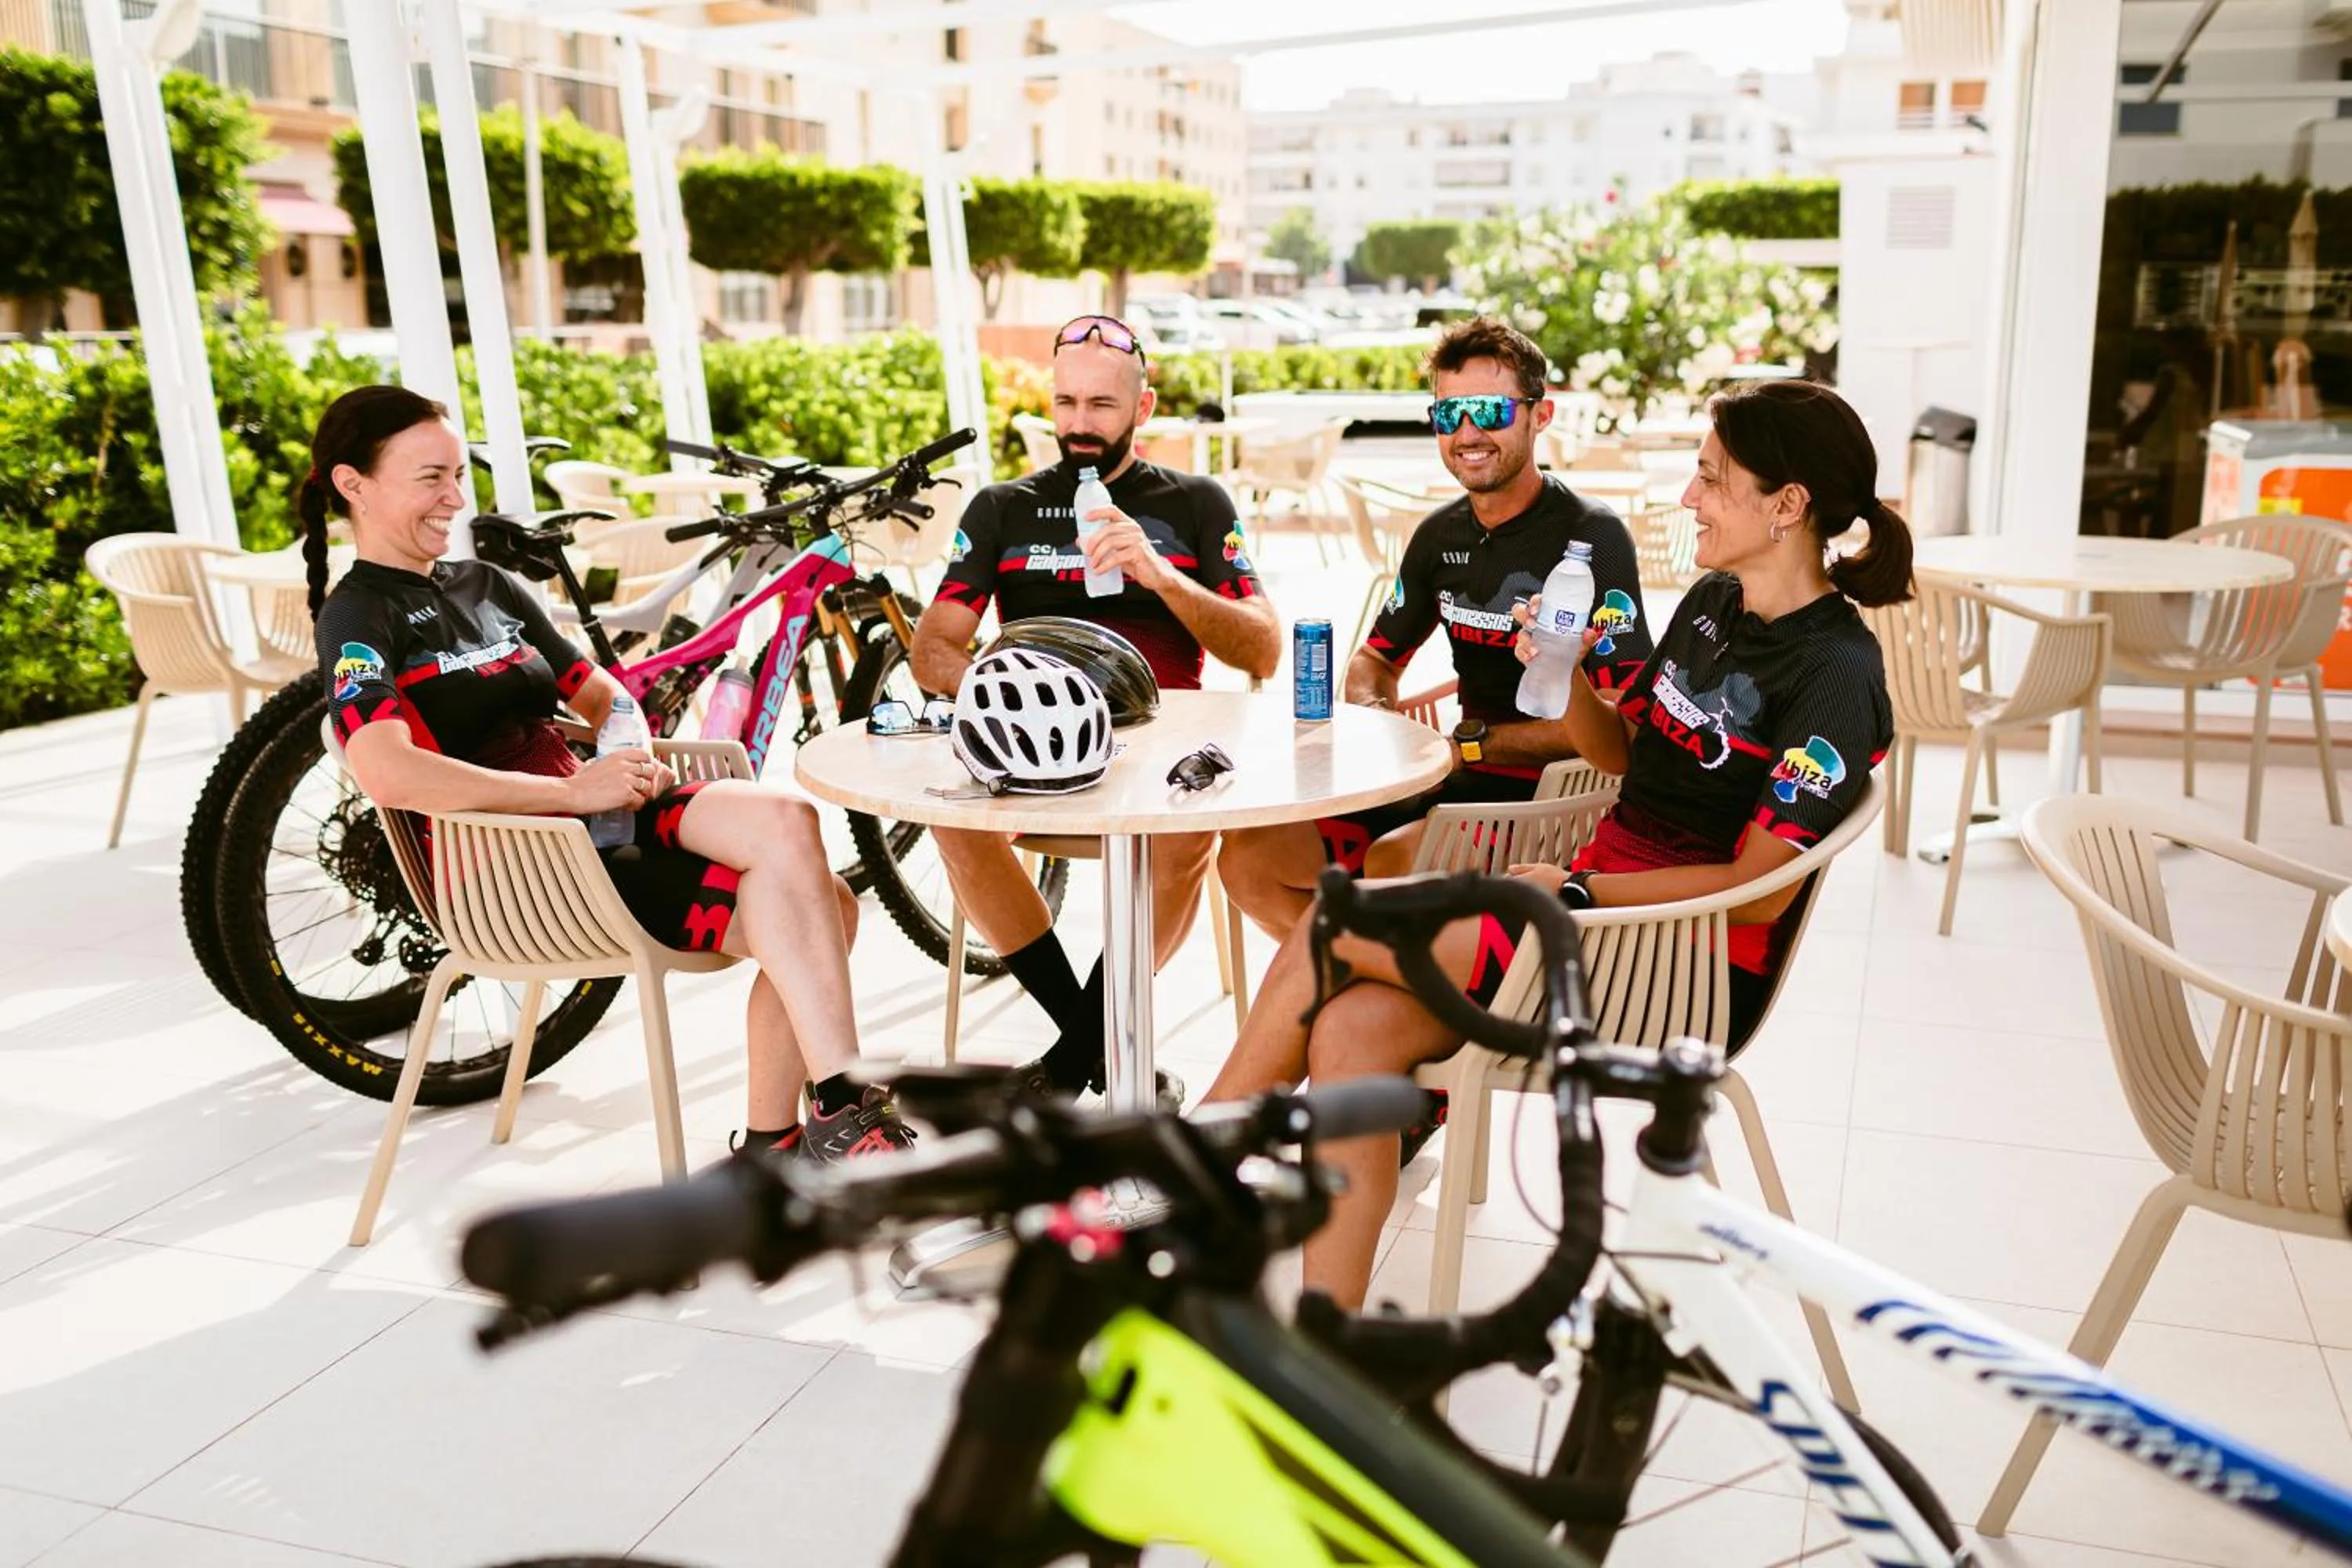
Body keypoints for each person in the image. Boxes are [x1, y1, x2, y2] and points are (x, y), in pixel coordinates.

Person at [1203, 377, 1909, 1308]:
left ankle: (1186, 1169)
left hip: (1675, 964)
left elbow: (1761, 891)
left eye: (1710, 479)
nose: (1687, 499)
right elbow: (1622, 751)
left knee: (1332, 930)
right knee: (1346, 1032)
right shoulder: (1713, 601)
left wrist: (1575, 894)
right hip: (1589, 914)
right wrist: (1569, 673)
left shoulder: (1836, 672)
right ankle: (1326, 1339)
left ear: (1788, 506)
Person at [304, 385, 912, 1163]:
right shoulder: (357, 615)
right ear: (354, 484)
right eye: (431, 478)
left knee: (794, 830)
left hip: (596, 827)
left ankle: (818, 1115)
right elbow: (388, 772)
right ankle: (818, 1120)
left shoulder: (486, 586)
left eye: (460, 475)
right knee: (818, 906)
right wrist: (569, 792)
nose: (456, 499)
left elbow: (603, 696)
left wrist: (626, 750)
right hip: (516, 866)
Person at [909, 315, 1283, 1102]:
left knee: (1184, 838)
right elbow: (935, 645)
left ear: (1143, 407)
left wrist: (1161, 577)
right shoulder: (1002, 507)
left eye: (1103, 405)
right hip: (1033, 745)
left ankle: (1066, 1065)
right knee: (951, 821)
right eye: (1067, 401)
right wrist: (1001, 693)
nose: (1080, 423)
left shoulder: (1196, 503)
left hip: (1163, 745)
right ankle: (1099, 1048)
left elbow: (1263, 649)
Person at [1216, 317, 1653, 938]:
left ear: (1541, 415)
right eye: (1449, 416)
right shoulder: (1439, 535)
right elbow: (1375, 658)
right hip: (1452, 778)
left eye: (1491, 412)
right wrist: (1377, 718)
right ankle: (1355, 984)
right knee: (1249, 857)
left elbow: (1624, 713)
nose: (1469, 434)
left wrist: (1476, 743)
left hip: (1551, 801)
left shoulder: (1591, 538)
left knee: (1390, 863)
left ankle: (1372, 994)